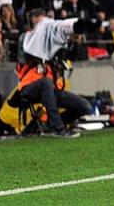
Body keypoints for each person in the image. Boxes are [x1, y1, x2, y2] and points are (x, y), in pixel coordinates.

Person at [13, 8, 93, 137]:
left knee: (85, 107)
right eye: (40, 20)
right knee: (45, 83)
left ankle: (50, 124)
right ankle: (59, 128)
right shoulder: (26, 38)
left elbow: (69, 57)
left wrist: (74, 42)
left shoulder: (52, 39)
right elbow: (24, 58)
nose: (44, 24)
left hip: (51, 88)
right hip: (29, 87)